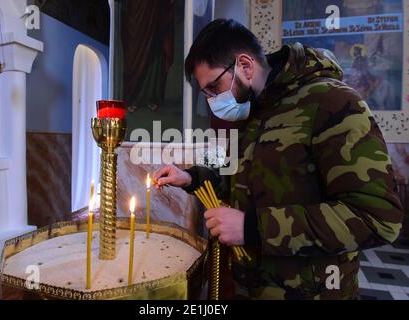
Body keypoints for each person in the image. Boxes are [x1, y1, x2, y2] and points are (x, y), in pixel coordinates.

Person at [153, 19, 403, 300]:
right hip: (254, 287)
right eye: (207, 93)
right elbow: (240, 178)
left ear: (245, 66)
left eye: (214, 87)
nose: (212, 99)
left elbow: (377, 218)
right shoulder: (255, 111)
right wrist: (191, 177)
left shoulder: (332, 102)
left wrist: (251, 227)